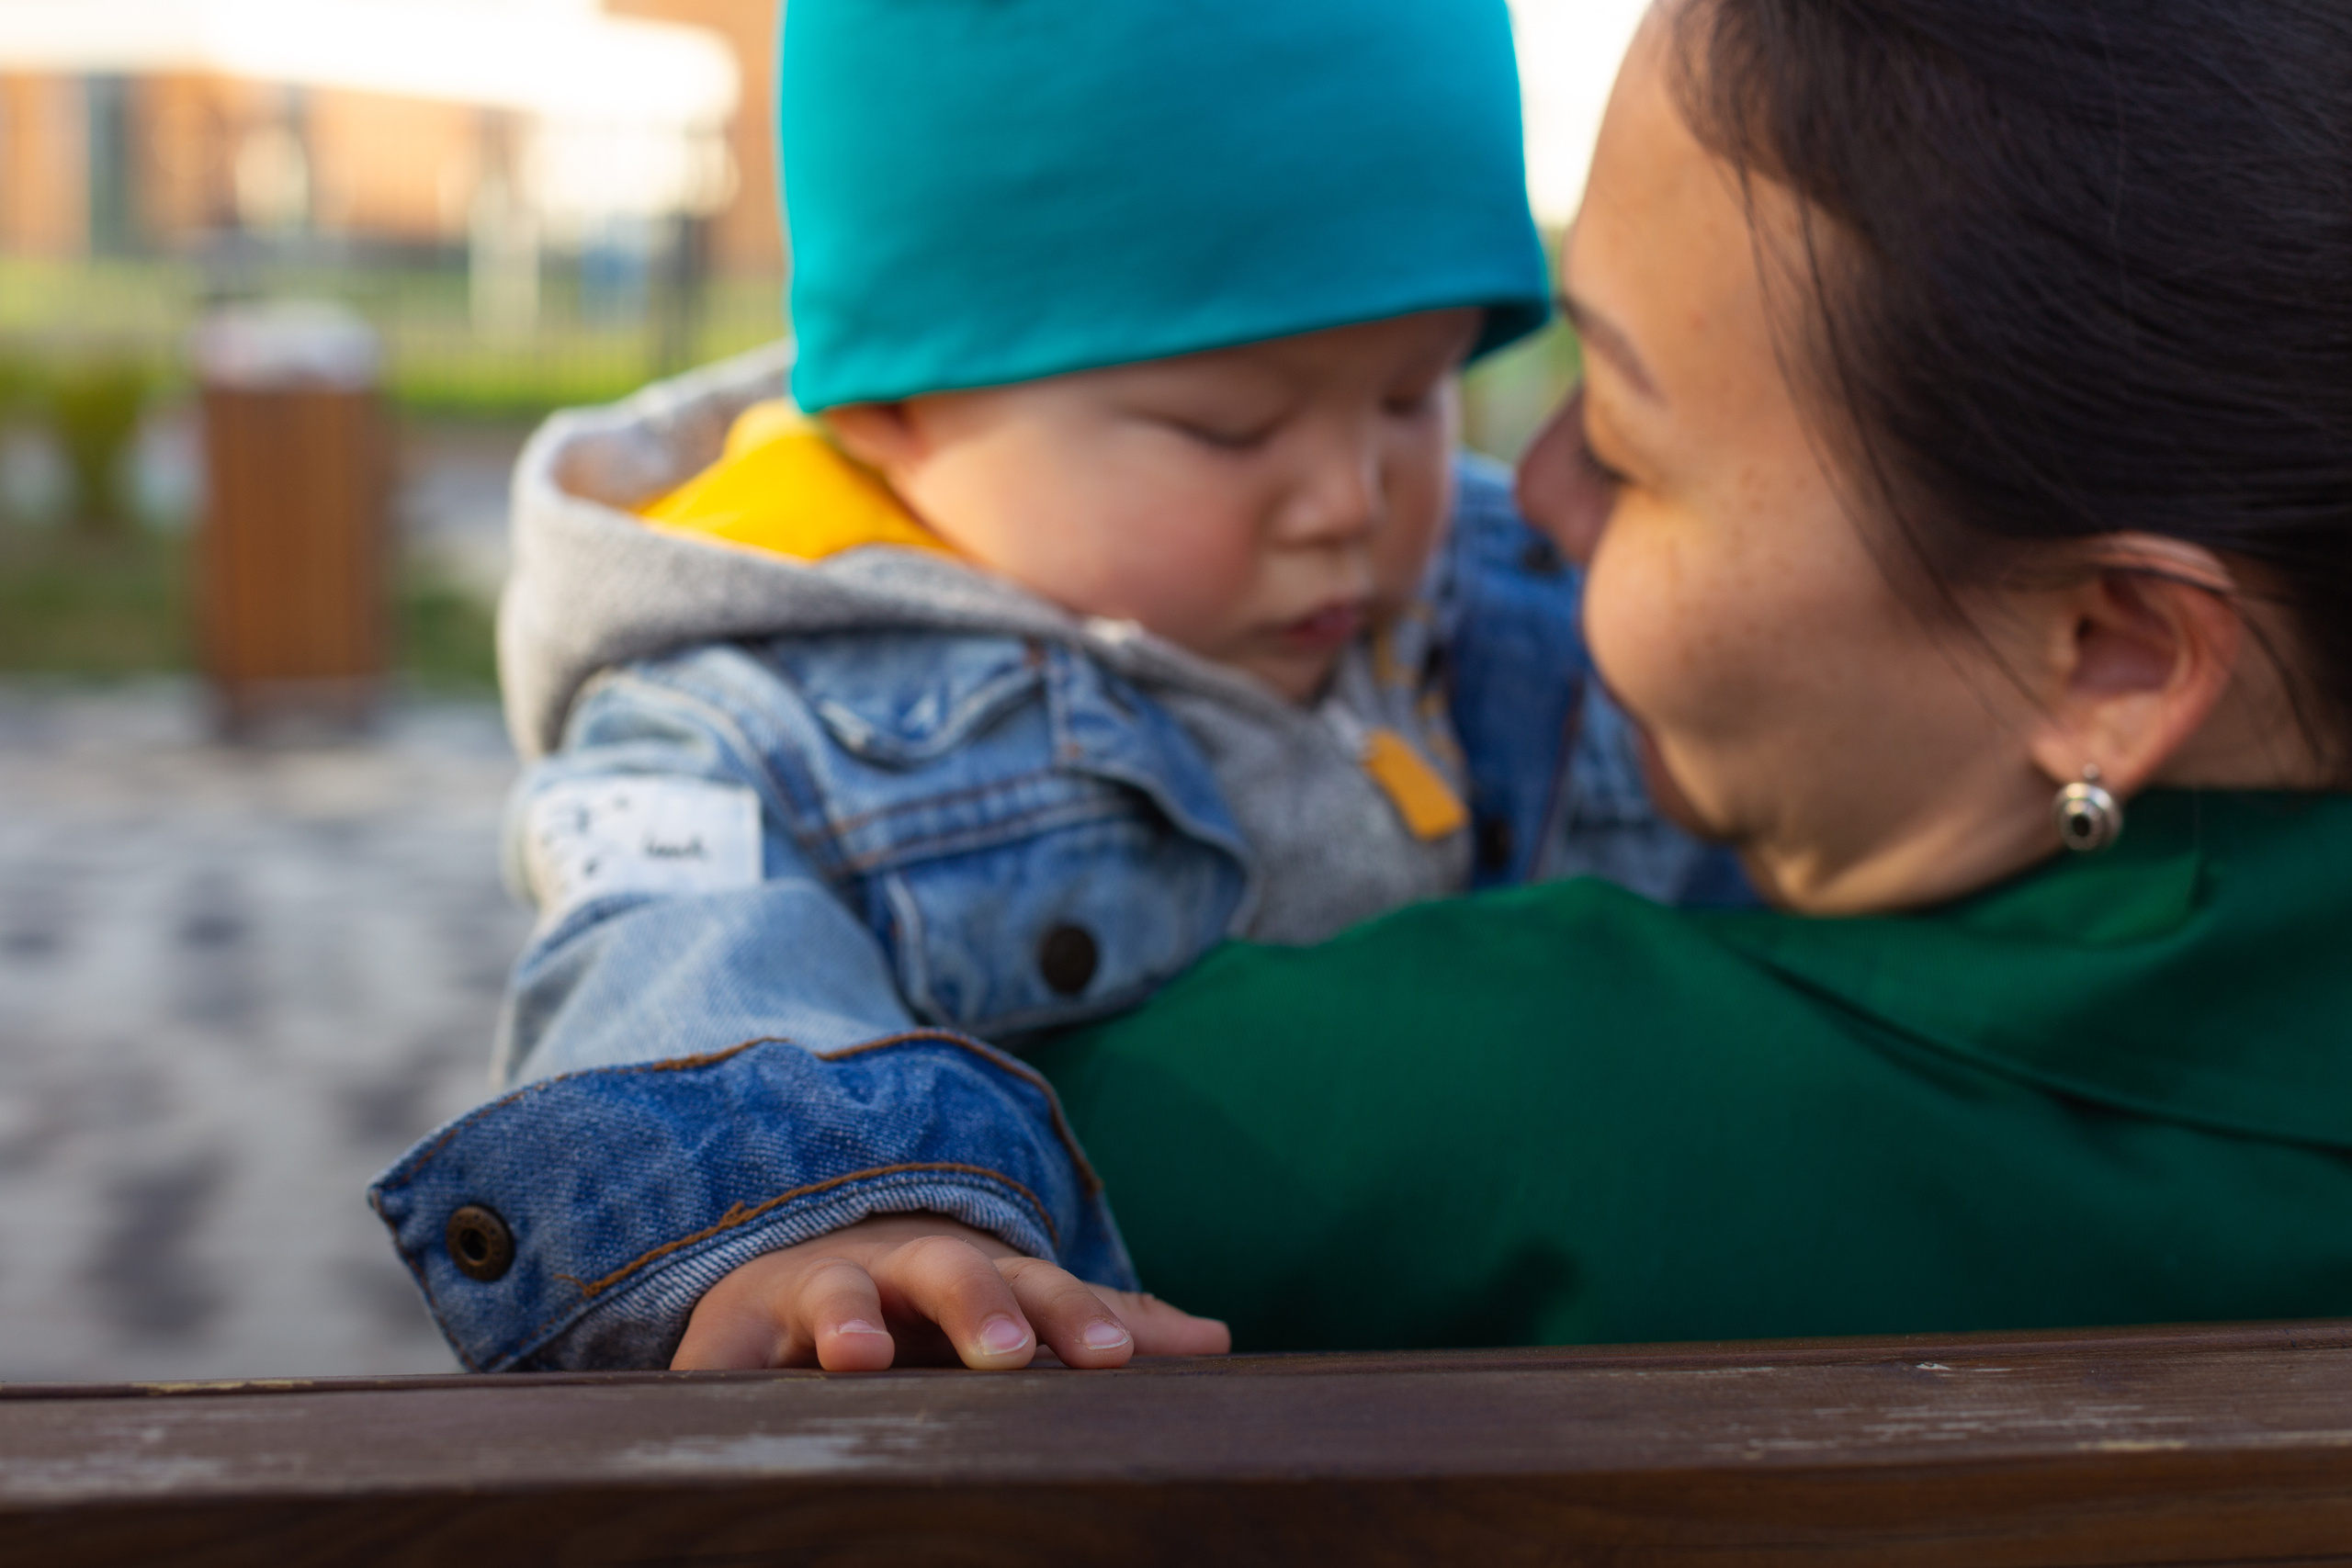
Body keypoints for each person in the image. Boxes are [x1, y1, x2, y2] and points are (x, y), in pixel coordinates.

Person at [641, 0, 2352, 1366]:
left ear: (2111, 653)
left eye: (1625, 437)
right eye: (1229, 428)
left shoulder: (1410, 1113)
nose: (1520, 501)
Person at [372, 0, 1736, 1373]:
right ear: (896, 406)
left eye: (1412, 397)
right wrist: (830, 1218)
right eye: (1229, 427)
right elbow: (674, 951)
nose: (1351, 498)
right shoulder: (749, 715)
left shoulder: (1507, 596)